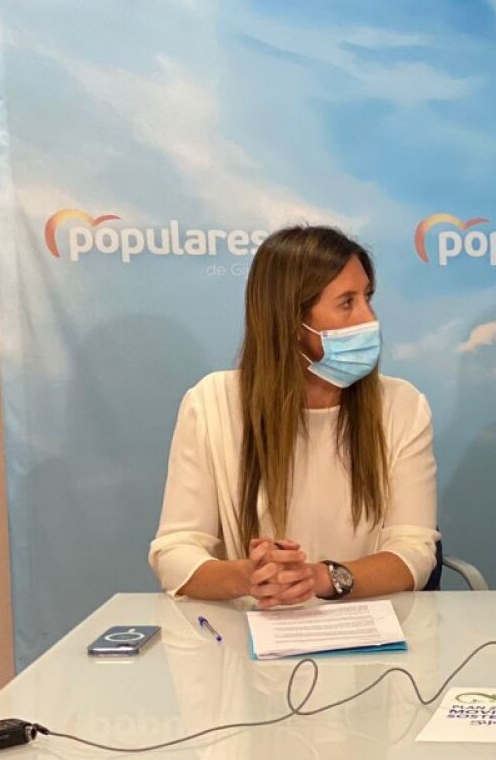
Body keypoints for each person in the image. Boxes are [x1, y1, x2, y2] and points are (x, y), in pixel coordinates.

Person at [149, 226, 438, 606]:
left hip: (368, 628)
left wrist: (321, 577)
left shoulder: (402, 405)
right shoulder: (210, 403)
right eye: (347, 302)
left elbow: (414, 551)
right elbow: (175, 551)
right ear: (289, 320)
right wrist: (250, 577)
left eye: (368, 298)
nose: (369, 319)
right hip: (250, 629)